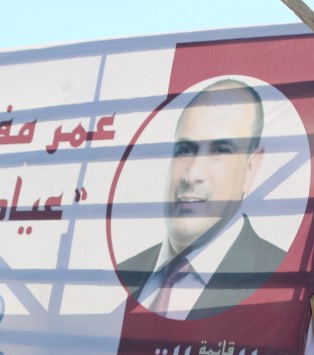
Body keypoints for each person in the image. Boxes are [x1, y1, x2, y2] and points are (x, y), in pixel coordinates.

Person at [118, 79, 286, 320]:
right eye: (185, 150)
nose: (192, 175)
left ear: (250, 168)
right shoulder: (124, 274)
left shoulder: (283, 280)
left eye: (220, 150)